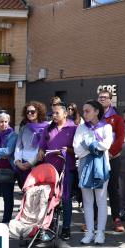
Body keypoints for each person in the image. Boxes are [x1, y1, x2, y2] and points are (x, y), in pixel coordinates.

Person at [73, 100, 113, 245]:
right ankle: (89, 232)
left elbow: (106, 144)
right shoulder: (81, 128)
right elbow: (77, 148)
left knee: (101, 200)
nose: (84, 114)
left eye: (87, 111)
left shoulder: (106, 127)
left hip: (102, 167)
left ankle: (100, 232)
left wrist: (89, 144)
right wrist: (94, 147)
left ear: (97, 111)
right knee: (87, 201)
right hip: (84, 166)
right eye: (83, 111)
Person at [38, 102, 78, 240]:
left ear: (65, 114)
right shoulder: (48, 129)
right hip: (49, 169)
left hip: (67, 169)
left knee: (66, 199)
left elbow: (78, 150)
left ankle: (66, 228)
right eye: (52, 113)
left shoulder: (74, 128)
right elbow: (42, 146)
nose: (54, 115)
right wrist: (41, 152)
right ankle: (49, 227)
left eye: (57, 113)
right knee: (49, 199)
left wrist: (68, 150)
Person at [99, 89, 125, 232]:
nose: (102, 99)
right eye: (100, 97)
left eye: (105, 97)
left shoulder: (117, 118)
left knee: (113, 189)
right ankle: (95, 219)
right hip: (96, 158)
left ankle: (116, 218)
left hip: (112, 158)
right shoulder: (94, 116)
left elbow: (121, 139)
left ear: (110, 100)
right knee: (96, 188)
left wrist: (110, 153)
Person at [14, 102, 49, 188]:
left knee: (36, 192)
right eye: (27, 112)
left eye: (32, 111)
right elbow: (19, 146)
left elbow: (45, 147)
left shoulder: (47, 127)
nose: (29, 113)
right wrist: (17, 161)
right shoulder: (24, 127)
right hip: (23, 163)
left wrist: (31, 162)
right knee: (26, 192)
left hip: (38, 163)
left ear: (39, 112)